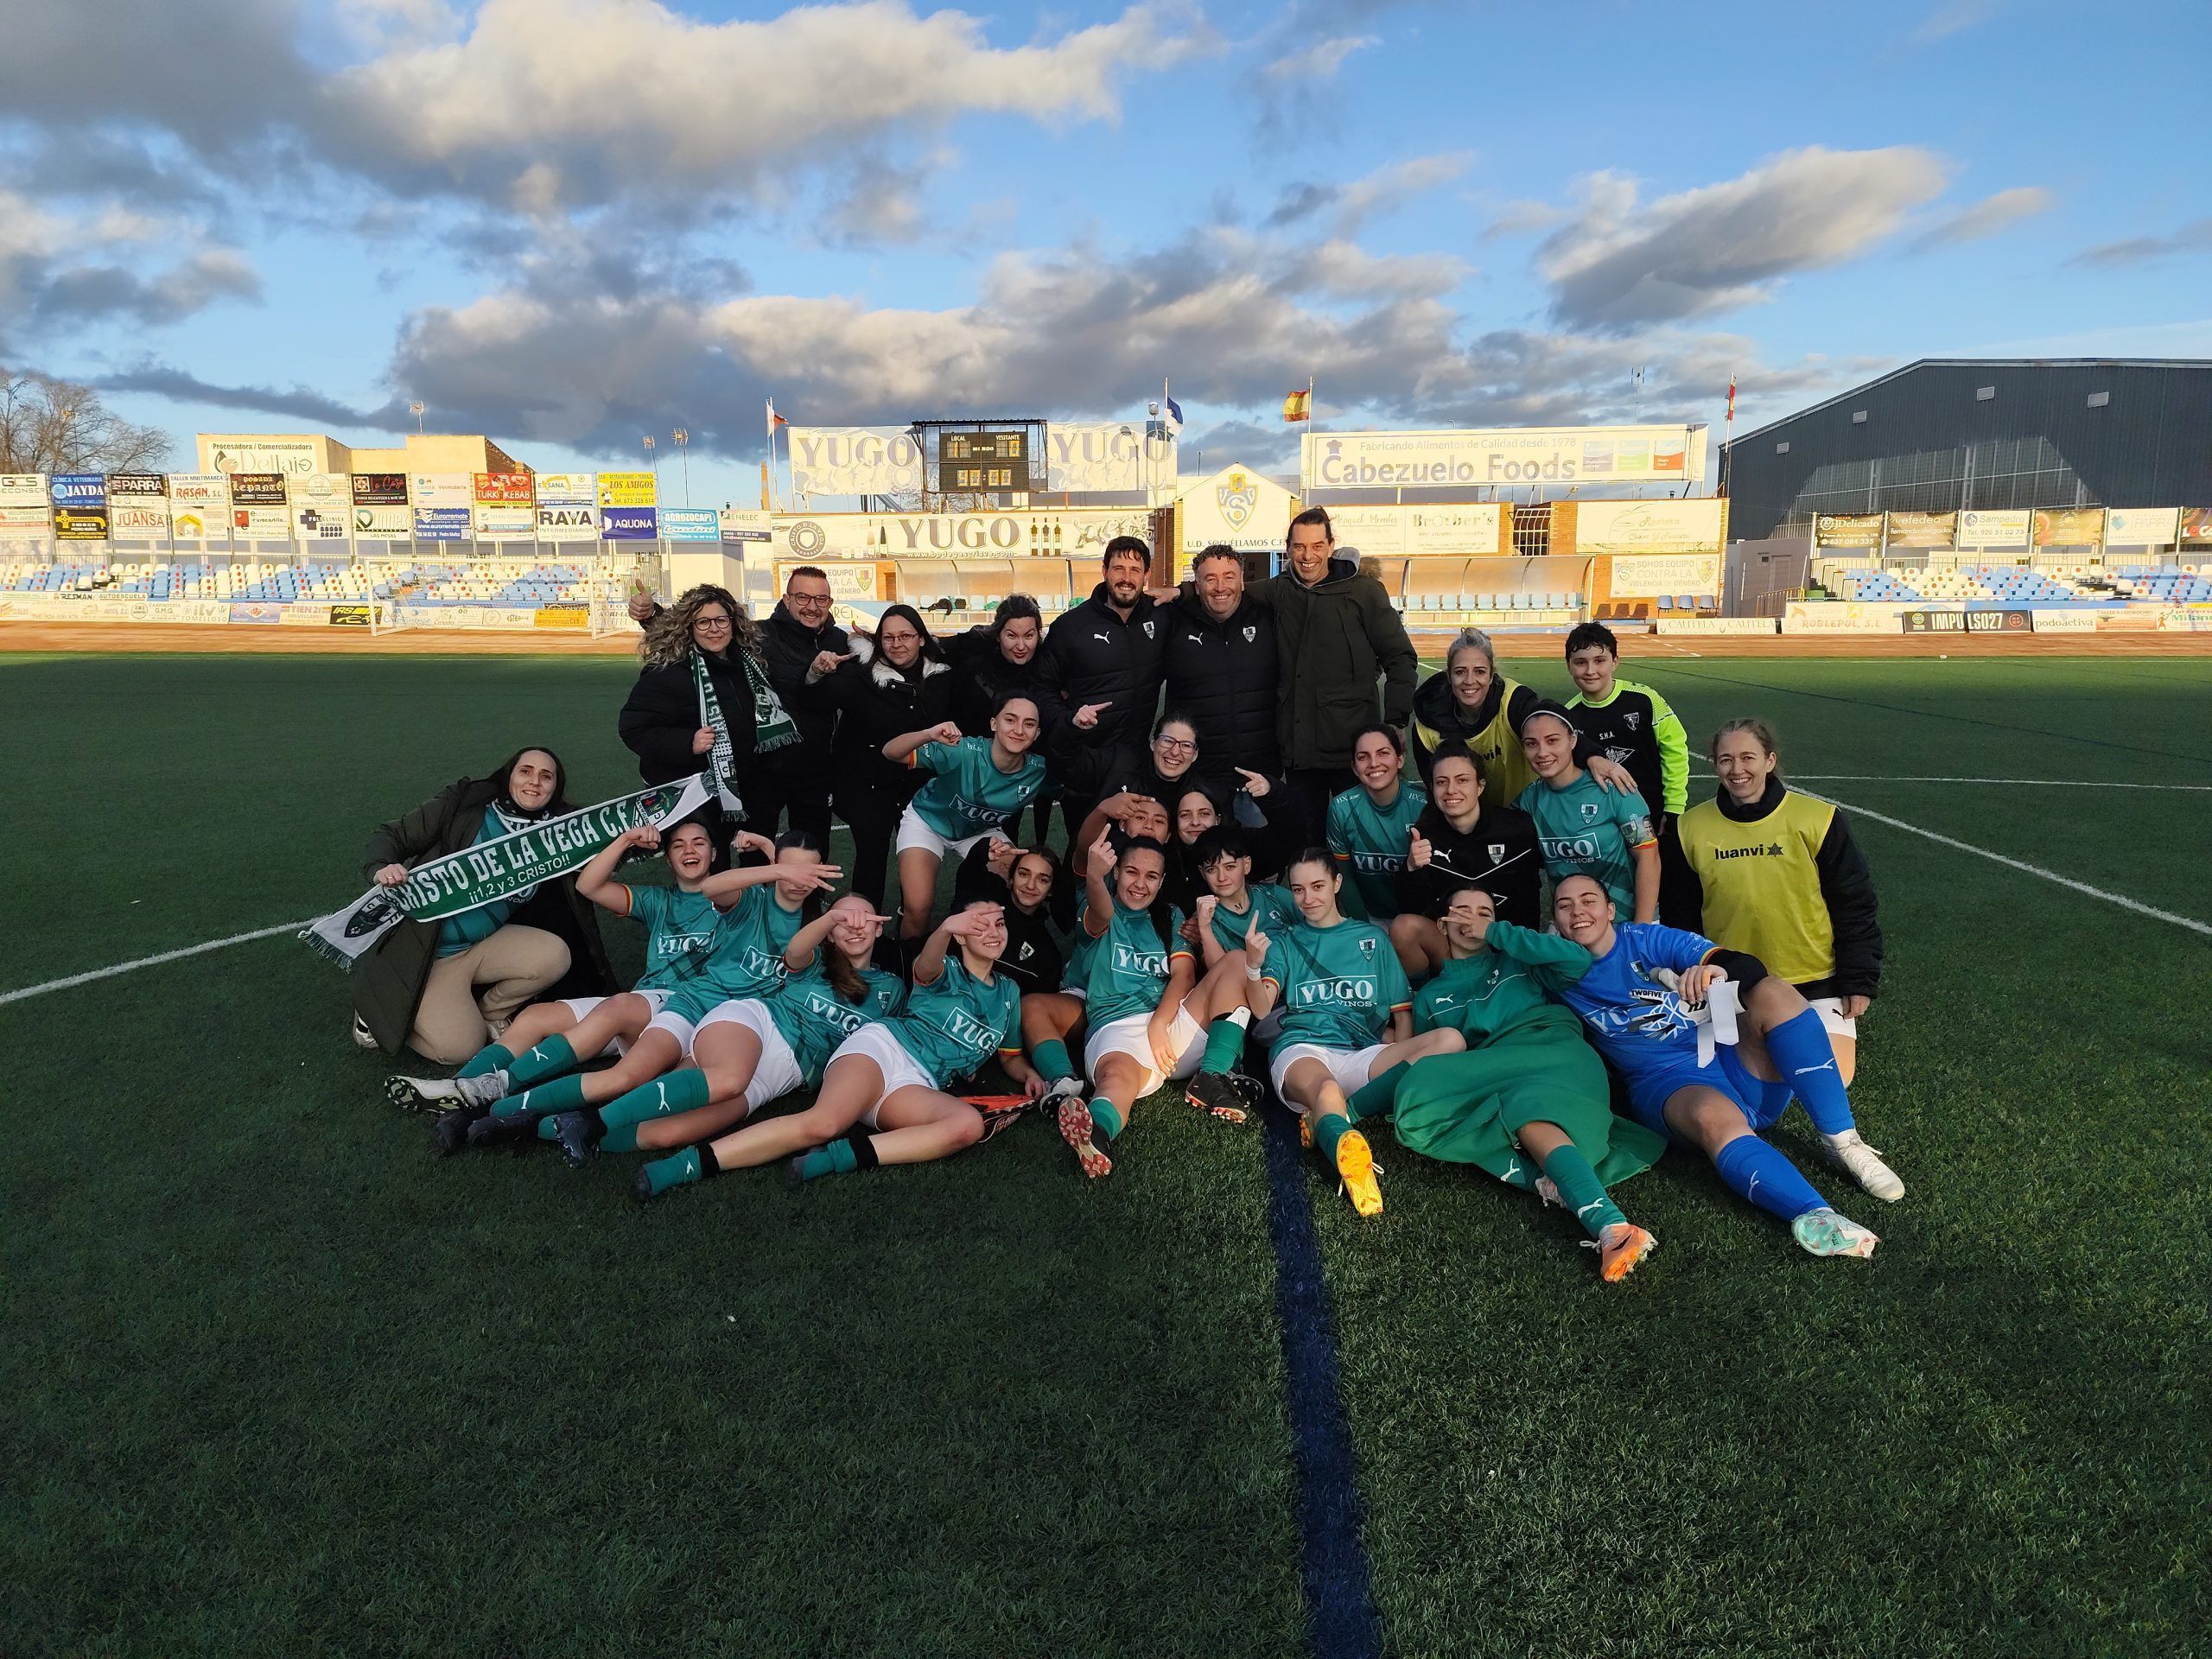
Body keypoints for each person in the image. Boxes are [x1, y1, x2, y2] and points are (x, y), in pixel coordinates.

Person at [1482, 874, 1902, 1256]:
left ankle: (1844, 1142)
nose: (1578, 912)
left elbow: (1743, 965)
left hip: (1731, 1062)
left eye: (1588, 900)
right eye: (1565, 905)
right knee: (1710, 1116)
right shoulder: (1554, 973)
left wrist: (1714, 972)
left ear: (1610, 910)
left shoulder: (1645, 940)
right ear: (1553, 920)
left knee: (1774, 991)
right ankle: (1817, 1216)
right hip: (1669, 1085)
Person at [633, 896, 1039, 1199]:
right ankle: (684, 1166)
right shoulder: (941, 969)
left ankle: (836, 1158)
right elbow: (928, 959)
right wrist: (947, 927)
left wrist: (1032, 1077)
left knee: (965, 1126)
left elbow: (1011, 1056)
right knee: (823, 1122)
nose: (990, 931)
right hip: (883, 1049)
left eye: (998, 924)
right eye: (978, 924)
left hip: (918, 1082)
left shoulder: (1008, 992)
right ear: (962, 935)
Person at [453, 833, 839, 1150]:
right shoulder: (751, 899)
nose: (797, 877)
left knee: (667, 1112)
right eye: (790, 867)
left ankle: (528, 1122)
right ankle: (493, 1100)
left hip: (733, 1031)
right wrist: (774, 868)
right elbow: (711, 886)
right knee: (624, 1077)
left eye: (808, 868)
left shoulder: (817, 929)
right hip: (694, 1005)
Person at [1390, 886, 1663, 1281]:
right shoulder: (1432, 995)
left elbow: (1576, 958)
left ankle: (1601, 1218)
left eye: (1483, 912)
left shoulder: (1521, 960)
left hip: (1556, 1053)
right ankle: (1608, 1225)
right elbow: (1432, 1060)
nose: (1472, 919)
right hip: (1496, 1071)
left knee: (1517, 1104)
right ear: (1442, 924)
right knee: (1447, 1105)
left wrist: (1496, 934)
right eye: (1461, 912)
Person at [383, 816, 721, 1109]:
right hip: (641, 1007)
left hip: (686, 1013)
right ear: (668, 859)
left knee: (617, 1009)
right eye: (678, 845)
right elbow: (589, 885)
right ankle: (458, 1086)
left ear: (714, 853)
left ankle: (492, 1087)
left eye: (699, 843)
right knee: (535, 1016)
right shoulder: (659, 901)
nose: (689, 851)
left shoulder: (743, 903)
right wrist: (625, 839)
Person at [543, 893, 906, 1166]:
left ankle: (542, 1126)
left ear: (879, 926)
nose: (855, 926)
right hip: (754, 1026)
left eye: (864, 919)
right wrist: (831, 918)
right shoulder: (816, 963)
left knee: (664, 1133)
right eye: (845, 921)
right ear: (829, 932)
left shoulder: (892, 989)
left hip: (780, 1076)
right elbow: (796, 948)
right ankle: (591, 1119)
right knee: (729, 1078)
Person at [351, 745, 612, 1064]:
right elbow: (394, 834)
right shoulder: (466, 807)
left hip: (481, 945)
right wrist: (381, 866)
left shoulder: (556, 831)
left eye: (547, 776)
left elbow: (605, 837)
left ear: (555, 788)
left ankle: (490, 1011)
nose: (535, 782)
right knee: (459, 1050)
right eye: (525, 771)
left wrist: (634, 838)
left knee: (555, 956)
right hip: (427, 952)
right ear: (509, 776)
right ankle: (379, 1012)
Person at [1245, 848, 1465, 1217]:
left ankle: (1330, 1118)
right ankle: (1347, 1150)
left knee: (1451, 1041)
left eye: (1317, 886)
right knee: (1326, 1088)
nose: (1308, 898)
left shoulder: (1371, 939)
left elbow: (1400, 1010)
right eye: (1298, 890)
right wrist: (1253, 966)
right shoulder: (1284, 940)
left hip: (1359, 1054)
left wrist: (1403, 1048)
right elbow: (1263, 1008)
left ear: (1337, 884)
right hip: (1303, 1048)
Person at [1677, 719, 1883, 1085]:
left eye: (1748, 758)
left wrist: (1858, 981)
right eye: (1725, 760)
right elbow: (1683, 915)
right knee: (1758, 1081)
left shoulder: (1818, 819)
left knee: (1830, 1080)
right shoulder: (1691, 826)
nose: (1737, 770)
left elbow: (1854, 903)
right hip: (1733, 980)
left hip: (1816, 979)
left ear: (1770, 761)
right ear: (1715, 765)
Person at [1049, 830, 1263, 1179]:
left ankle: (1212, 1075)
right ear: (1116, 872)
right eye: (1131, 872)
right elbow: (1100, 910)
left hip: (1170, 1024)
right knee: (1117, 1079)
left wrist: (1160, 1022)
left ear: (1162, 881)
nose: (1140, 884)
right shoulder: (1097, 909)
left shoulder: (1169, 916)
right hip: (1116, 1028)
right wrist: (1093, 875)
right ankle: (1097, 1133)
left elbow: (1183, 976)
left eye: (1151, 877)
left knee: (1238, 961)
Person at [1210, 507, 1415, 849]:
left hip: (1354, 749)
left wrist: (1395, 720)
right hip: (1301, 752)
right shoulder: (1280, 590)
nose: (1308, 556)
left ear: (1331, 546)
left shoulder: (1364, 592)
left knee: (1368, 841)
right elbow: (1231, 592)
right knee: (1310, 846)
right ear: (1288, 548)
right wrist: (1182, 593)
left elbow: (1400, 656)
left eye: (1317, 545)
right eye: (1300, 547)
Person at [883, 695, 1047, 947]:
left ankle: (1005, 957)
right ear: (994, 723)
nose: (1018, 730)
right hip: (927, 823)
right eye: (1010, 720)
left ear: (1037, 733)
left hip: (980, 830)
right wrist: (928, 734)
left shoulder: (1039, 771)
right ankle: (908, 966)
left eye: (1028, 724)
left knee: (1015, 888)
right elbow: (890, 752)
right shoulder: (961, 751)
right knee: (918, 907)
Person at [821, 604, 954, 911]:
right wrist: (817, 673)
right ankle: (863, 931)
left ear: (921, 638)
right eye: (888, 637)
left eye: (906, 636)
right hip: (866, 783)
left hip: (917, 784)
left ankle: (912, 928)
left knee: (916, 857)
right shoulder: (860, 673)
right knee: (871, 855)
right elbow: (819, 697)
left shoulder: (942, 674)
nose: (897, 644)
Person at [1034, 536, 1167, 841]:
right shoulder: (1071, 627)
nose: (1127, 578)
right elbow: (1041, 688)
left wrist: (1179, 591)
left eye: (1135, 570)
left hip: (1136, 763)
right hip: (1086, 763)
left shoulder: (1161, 615)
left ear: (1147, 575)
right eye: (1118, 568)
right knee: (1085, 852)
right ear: (1104, 570)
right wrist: (1069, 720)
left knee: (1132, 851)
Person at [1564, 622, 1693, 923]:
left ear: (1615, 662)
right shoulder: (1569, 716)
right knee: (1614, 891)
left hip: (1654, 817)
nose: (1590, 670)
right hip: (1603, 826)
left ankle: (1655, 942)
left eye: (1599, 660)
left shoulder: (1644, 700)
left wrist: (1673, 806)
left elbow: (1675, 748)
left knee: (1662, 888)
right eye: (1580, 662)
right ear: (1568, 665)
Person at [618, 585, 761, 847]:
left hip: (743, 787)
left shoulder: (749, 665)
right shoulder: (669, 671)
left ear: (734, 623)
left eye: (721, 620)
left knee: (750, 864)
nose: (714, 629)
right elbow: (633, 727)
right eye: (703, 622)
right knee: (707, 872)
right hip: (691, 796)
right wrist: (687, 743)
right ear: (689, 627)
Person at [1389, 741, 1542, 977]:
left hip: (1509, 950)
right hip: (1455, 953)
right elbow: (1412, 908)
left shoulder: (1517, 828)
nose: (1451, 790)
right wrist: (1411, 868)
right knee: (1403, 927)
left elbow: (1536, 887)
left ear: (1480, 786)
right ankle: (1426, 996)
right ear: (1432, 788)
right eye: (1442, 782)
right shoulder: (1426, 836)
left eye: (1462, 780)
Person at [1514, 701, 1658, 923]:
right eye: (1531, 744)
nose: (1542, 752)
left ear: (1573, 740)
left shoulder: (1613, 788)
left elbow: (1649, 857)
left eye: (1553, 741)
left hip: (1625, 923)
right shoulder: (1528, 801)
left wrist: (1642, 929)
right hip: (1572, 927)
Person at [1160, 543, 1283, 804]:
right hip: (1198, 778)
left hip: (1259, 776)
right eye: (1210, 578)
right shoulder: (1174, 624)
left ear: (1242, 582)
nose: (1220, 587)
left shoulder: (1269, 619)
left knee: (1259, 844)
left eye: (1228, 577)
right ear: (1196, 586)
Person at [943, 594, 1053, 844]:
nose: (1021, 645)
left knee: (1006, 838)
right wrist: (873, 641)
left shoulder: (1048, 661)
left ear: (1039, 633)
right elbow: (926, 645)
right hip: (974, 762)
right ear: (998, 633)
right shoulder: (976, 649)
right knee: (973, 842)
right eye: (1011, 636)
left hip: (1020, 764)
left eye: (1029, 636)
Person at [1325, 725, 1427, 921]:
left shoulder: (1423, 804)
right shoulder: (1341, 808)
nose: (1373, 763)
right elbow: (1344, 878)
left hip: (1418, 921)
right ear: (1354, 767)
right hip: (1371, 917)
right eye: (1363, 757)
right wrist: (1364, 931)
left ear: (1400, 760)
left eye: (1383, 753)